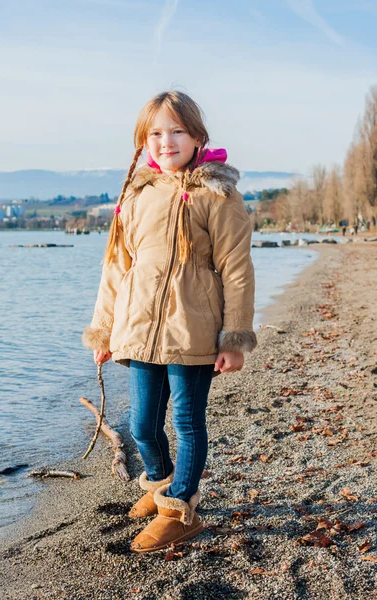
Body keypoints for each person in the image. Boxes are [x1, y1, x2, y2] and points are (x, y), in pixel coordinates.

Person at [82, 91, 257, 553]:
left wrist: (233, 338)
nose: (166, 141)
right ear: (144, 142)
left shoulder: (216, 194)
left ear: (198, 137)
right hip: (139, 330)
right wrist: (104, 329)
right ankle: (159, 486)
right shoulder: (137, 194)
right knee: (141, 425)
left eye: (177, 130)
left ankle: (180, 509)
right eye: (155, 133)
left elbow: (236, 268)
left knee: (186, 420)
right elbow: (117, 266)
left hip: (193, 330)